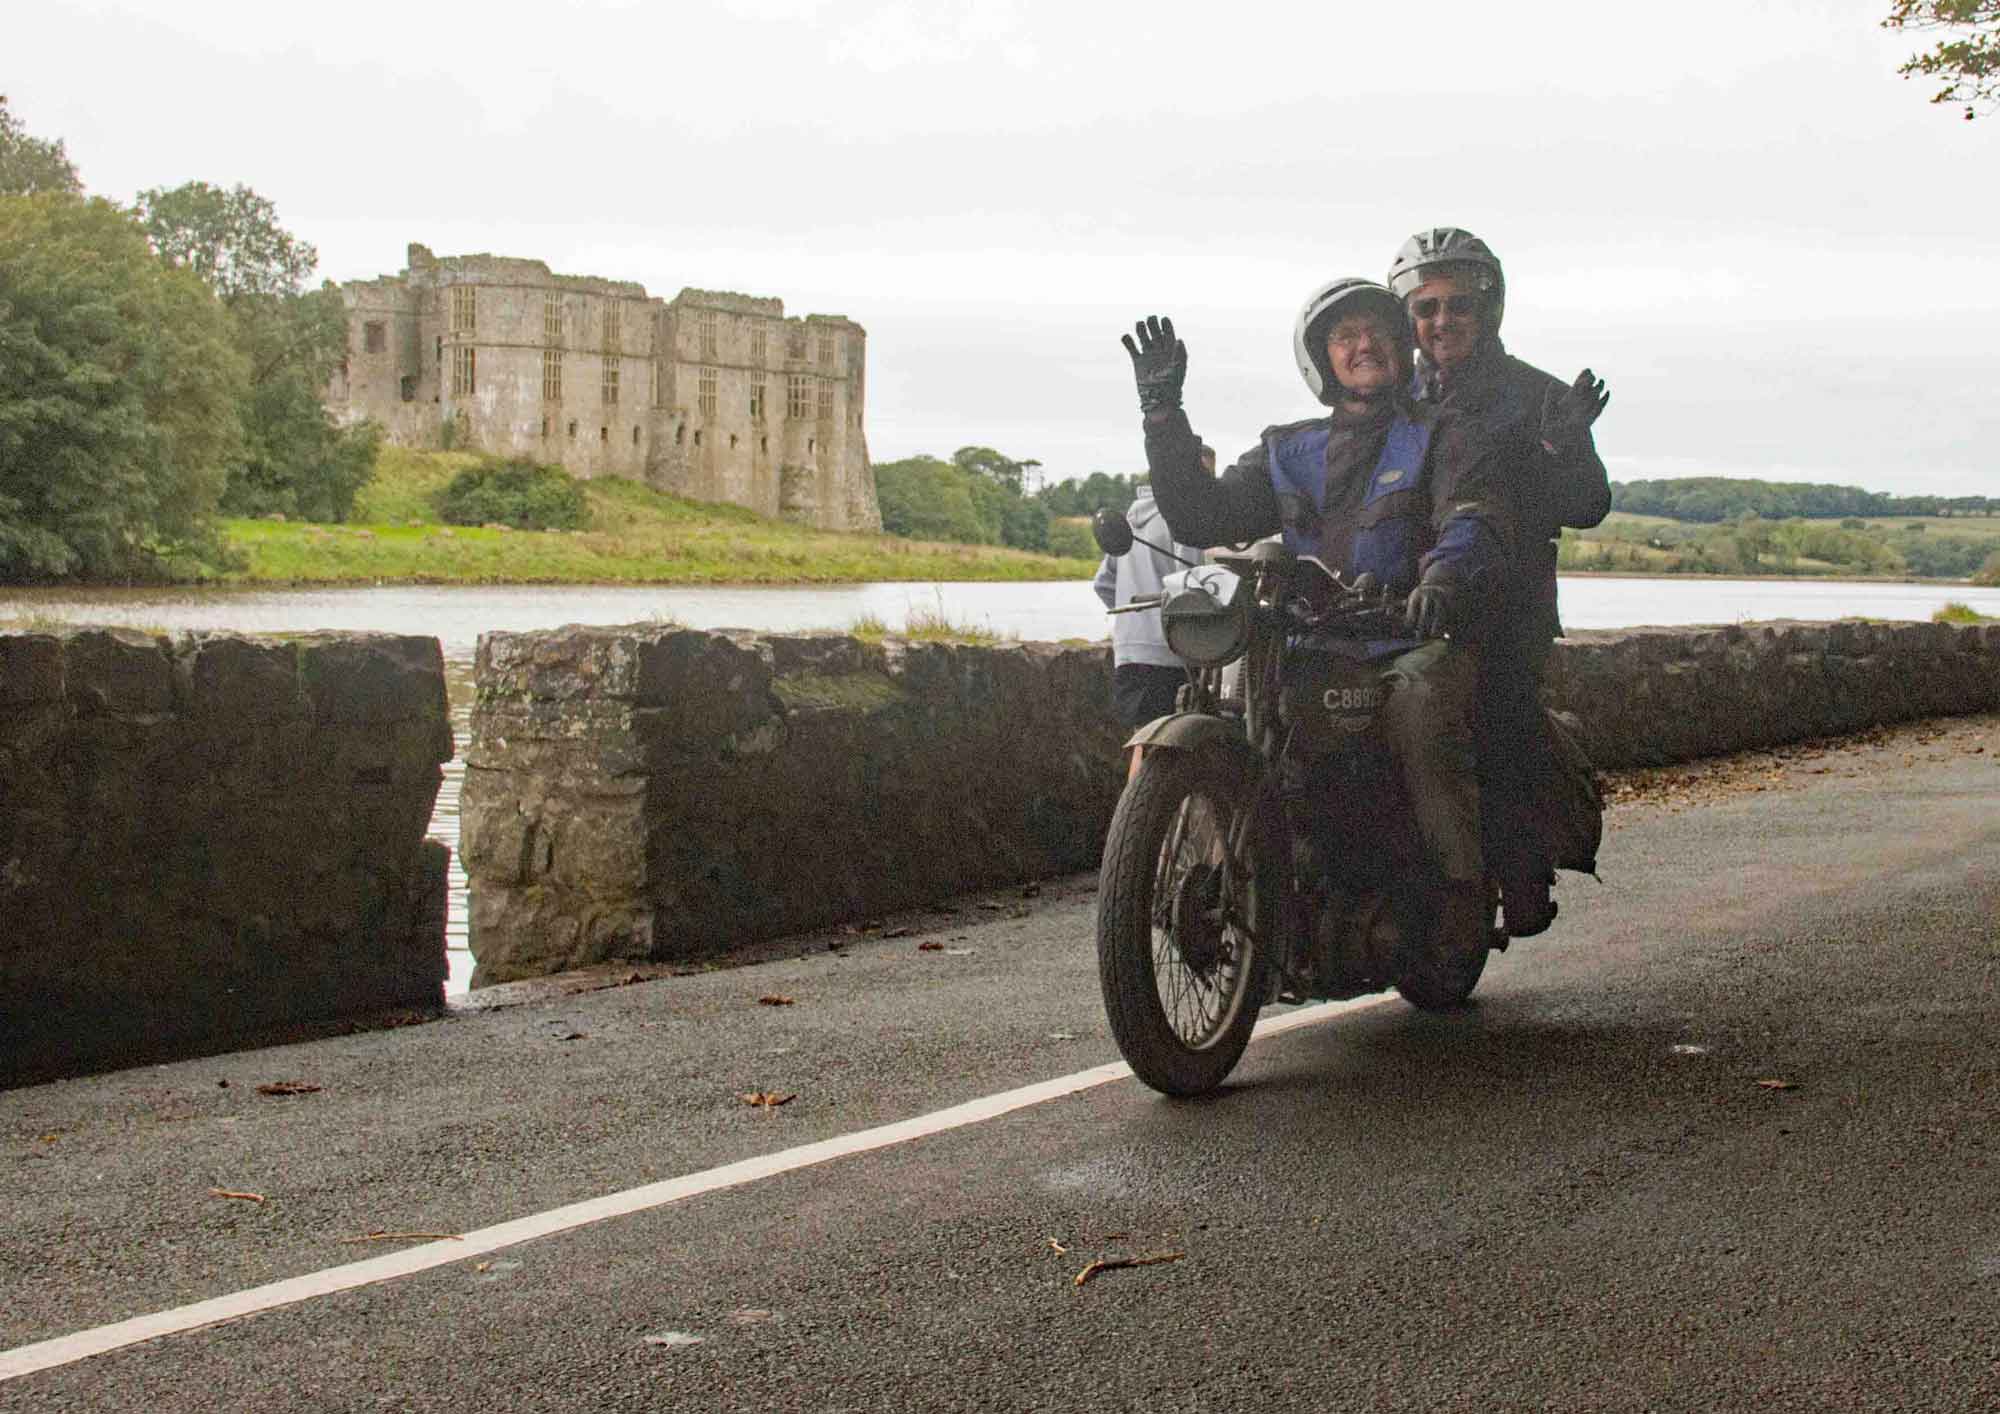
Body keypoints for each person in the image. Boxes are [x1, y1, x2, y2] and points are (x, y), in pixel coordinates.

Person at [1121, 279, 1517, 957]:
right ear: (1322, 358)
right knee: (1228, 700)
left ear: (1401, 344)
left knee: (1419, 703)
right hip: (1306, 641)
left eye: (1378, 332)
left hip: (1407, 637)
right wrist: (1163, 416)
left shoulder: (1442, 434)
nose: (1364, 346)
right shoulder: (1287, 451)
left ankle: (1458, 890)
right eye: (1345, 336)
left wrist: (1441, 580)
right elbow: (1201, 515)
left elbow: (1470, 515)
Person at [1386, 226, 1611, 937]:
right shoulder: (1395, 397)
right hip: (1405, 592)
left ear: (1488, 309)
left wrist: (1565, 448)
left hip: (1506, 601)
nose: (1442, 321)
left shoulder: (1538, 396)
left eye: (1458, 305)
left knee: (1500, 715)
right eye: (1426, 308)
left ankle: (1521, 866)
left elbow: (1589, 504)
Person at [1094, 475, 1205, 780]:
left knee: (1144, 740)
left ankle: (1135, 809)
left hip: (1128, 651)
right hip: (1168, 651)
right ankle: (1141, 809)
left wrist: (1134, 619)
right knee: (1165, 748)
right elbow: (1192, 587)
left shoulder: (1130, 518)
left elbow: (1103, 583)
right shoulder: (1182, 517)